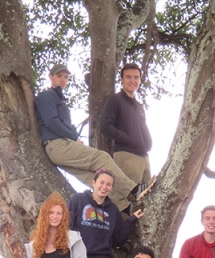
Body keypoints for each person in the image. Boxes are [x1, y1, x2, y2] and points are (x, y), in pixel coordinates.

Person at [35, 63, 140, 210]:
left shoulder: (59, 99)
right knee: (101, 158)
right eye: (59, 76)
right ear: (51, 77)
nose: (63, 80)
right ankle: (133, 190)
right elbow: (52, 122)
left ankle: (124, 207)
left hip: (58, 148)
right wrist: (73, 136)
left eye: (66, 77)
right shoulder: (46, 96)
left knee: (94, 179)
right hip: (56, 144)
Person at [67, 168, 143, 258]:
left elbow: (118, 239)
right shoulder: (78, 200)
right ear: (94, 183)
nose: (104, 187)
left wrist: (131, 220)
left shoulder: (113, 211)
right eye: (101, 182)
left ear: (111, 188)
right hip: (75, 252)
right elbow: (67, 225)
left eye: (108, 184)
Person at [98, 62, 155, 188]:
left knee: (147, 199)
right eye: (128, 77)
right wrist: (127, 139)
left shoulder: (139, 106)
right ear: (122, 80)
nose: (132, 80)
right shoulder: (115, 100)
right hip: (127, 156)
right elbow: (105, 126)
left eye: (136, 77)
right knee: (128, 200)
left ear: (140, 80)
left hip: (144, 158)